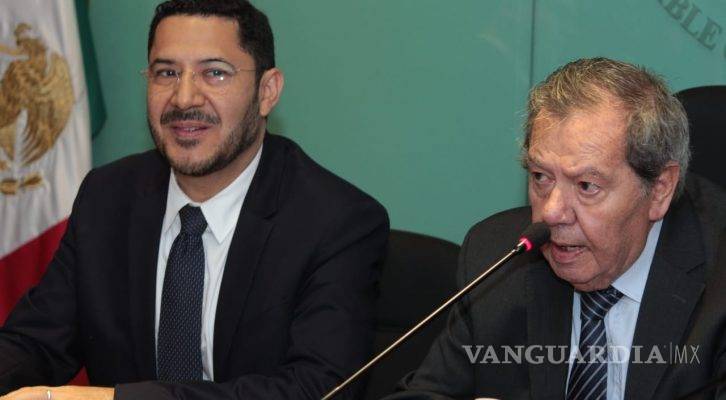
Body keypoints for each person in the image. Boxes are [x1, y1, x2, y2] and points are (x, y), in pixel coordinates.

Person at [0, 1, 388, 399]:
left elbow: (317, 389)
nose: (184, 98)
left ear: (267, 91)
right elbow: (34, 343)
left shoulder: (336, 222)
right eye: (166, 73)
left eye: (214, 73)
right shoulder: (108, 196)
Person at [386, 58, 726, 399]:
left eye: (586, 186)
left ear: (660, 189)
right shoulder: (497, 262)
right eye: (541, 177)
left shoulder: (718, 284)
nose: (550, 213)